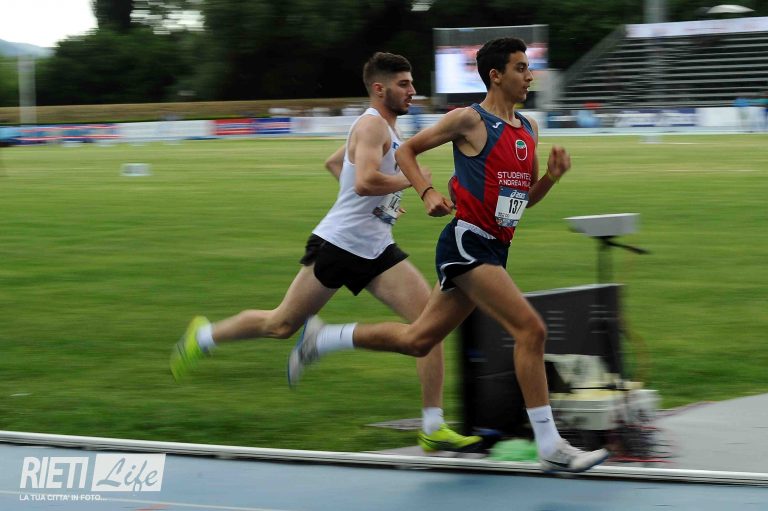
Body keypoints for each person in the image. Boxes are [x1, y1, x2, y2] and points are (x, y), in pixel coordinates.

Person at [288, 38, 610, 473]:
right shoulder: (468, 120)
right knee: (531, 330)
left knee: (419, 340)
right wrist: (426, 192)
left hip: (495, 247)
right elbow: (406, 151)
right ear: (496, 76)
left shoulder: (529, 129)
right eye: (520, 68)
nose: (529, 76)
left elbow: (521, 202)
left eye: (528, 68)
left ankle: (324, 339)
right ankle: (550, 445)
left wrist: (550, 178)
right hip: (467, 243)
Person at [170, 52, 483, 453]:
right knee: (281, 325)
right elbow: (364, 181)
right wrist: (408, 182)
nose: (412, 90)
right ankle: (203, 336)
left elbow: (336, 164)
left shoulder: (385, 128)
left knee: (429, 327)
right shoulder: (372, 125)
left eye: (411, 82)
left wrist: (383, 203)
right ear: (379, 88)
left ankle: (432, 427)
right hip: (340, 244)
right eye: (403, 84)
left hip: (376, 245)